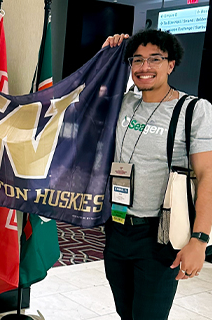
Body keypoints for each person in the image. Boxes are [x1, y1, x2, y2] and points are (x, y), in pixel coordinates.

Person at [102, 30, 212, 320]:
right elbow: (88, 96)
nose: (144, 67)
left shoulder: (193, 110)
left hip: (159, 236)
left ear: (171, 64)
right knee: (126, 312)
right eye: (137, 60)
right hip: (117, 227)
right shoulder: (124, 103)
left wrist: (199, 240)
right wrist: (107, 54)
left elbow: (207, 175)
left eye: (155, 59)